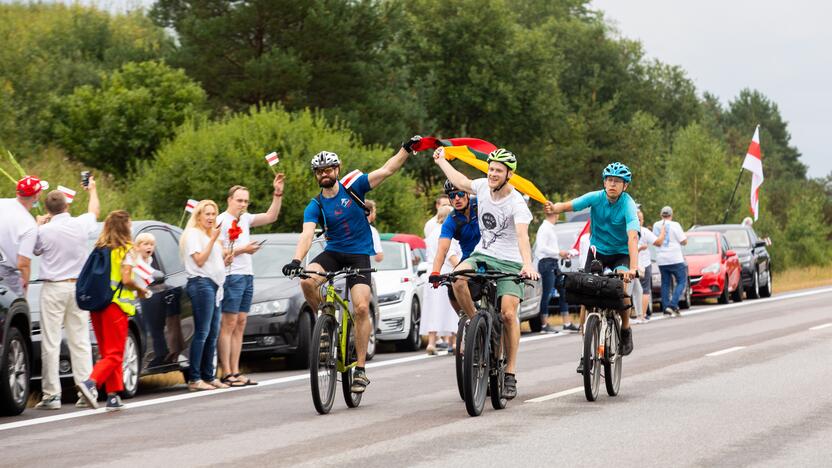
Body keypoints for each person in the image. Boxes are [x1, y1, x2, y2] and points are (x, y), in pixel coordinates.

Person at [283, 135, 422, 393]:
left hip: (359, 253)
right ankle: (326, 320)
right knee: (306, 280)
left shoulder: (354, 186)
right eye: (319, 171)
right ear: (316, 176)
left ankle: (360, 369)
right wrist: (295, 260)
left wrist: (404, 148)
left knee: (360, 308)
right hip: (334, 252)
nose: (324, 174)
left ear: (337, 170)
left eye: (328, 169)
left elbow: (387, 169)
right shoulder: (315, 205)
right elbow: (306, 234)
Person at [430, 147, 538, 400]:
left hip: (510, 262)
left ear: (509, 175)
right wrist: (441, 161)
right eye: (491, 169)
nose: (492, 174)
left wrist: (527, 264)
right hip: (483, 255)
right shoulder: (480, 187)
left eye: (498, 171)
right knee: (457, 279)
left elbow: (523, 236)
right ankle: (476, 322)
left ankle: (509, 372)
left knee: (509, 314)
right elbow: (460, 181)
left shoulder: (517, 203)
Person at [545, 162, 640, 371]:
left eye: (617, 181)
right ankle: (585, 351)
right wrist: (556, 207)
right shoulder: (596, 197)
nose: (612, 184)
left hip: (621, 254)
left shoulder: (628, 205)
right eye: (609, 180)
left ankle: (625, 329)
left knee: (621, 289)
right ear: (604, 182)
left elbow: (632, 236)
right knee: (585, 294)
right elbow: (573, 204)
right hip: (597, 252)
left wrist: (633, 268)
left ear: (625, 186)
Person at [32, 178, 100, 410]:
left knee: (50, 341)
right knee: (79, 339)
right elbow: (94, 211)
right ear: (67, 206)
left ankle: (52, 394)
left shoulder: (44, 230)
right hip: (77, 285)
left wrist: (38, 224)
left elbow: (35, 249)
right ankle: (86, 388)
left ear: (49, 210)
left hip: (53, 286)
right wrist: (92, 190)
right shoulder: (80, 224)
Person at [77, 211, 150, 411]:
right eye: (130, 223)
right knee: (116, 353)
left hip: (97, 305)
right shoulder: (126, 249)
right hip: (115, 306)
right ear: (124, 226)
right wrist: (140, 289)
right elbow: (126, 279)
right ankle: (90, 383)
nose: (132, 227)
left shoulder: (100, 248)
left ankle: (113, 395)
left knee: (106, 352)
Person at [217, 174, 284, 387]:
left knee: (241, 322)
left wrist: (277, 193)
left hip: (247, 274)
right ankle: (226, 372)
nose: (243, 205)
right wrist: (243, 249)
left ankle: (236, 370)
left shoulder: (245, 219)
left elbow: (271, 216)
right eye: (239, 200)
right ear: (229, 200)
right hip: (230, 276)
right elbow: (217, 251)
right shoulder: (220, 220)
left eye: (246, 201)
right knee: (229, 323)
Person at [181, 200, 232, 391]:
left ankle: (209, 375)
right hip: (201, 284)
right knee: (202, 332)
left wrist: (225, 260)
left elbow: (213, 261)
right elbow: (200, 260)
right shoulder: (194, 234)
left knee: (213, 333)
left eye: (213, 214)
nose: (211, 218)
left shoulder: (210, 235)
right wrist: (213, 240)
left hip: (215, 285)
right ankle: (194, 378)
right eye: (207, 214)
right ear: (199, 216)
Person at [429, 179, 481, 312]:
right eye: (452, 196)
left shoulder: (481, 204)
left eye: (460, 194)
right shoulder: (450, 221)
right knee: (453, 286)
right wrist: (435, 272)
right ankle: (468, 317)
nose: (456, 198)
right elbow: (442, 250)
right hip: (469, 259)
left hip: (492, 254)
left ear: (468, 194)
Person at [422, 205, 461, 355]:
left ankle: (431, 342)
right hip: (445, 271)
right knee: (451, 308)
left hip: (431, 273)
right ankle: (454, 342)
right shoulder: (447, 233)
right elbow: (450, 255)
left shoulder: (431, 234)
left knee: (433, 308)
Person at [534, 210, 578, 334]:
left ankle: (567, 323)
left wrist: (560, 255)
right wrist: (558, 253)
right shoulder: (544, 228)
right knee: (547, 294)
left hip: (553, 262)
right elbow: (541, 247)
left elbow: (549, 248)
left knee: (563, 291)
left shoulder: (550, 227)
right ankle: (544, 325)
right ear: (555, 214)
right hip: (546, 263)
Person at [0, 176, 41, 295]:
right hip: (7, 277)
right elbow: (23, 264)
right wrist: (25, 290)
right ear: (36, 196)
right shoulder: (29, 225)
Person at [652, 206, 688, 316]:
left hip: (662, 259)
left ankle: (666, 307)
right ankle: (672, 305)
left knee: (666, 283)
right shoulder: (675, 225)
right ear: (671, 215)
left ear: (661, 215)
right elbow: (683, 241)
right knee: (682, 281)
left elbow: (655, 240)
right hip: (675, 258)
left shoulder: (656, 225)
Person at [633, 207, 665, 323]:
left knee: (633, 290)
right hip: (643, 264)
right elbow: (658, 242)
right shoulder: (644, 231)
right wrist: (663, 232)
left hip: (632, 264)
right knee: (645, 290)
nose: (640, 221)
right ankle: (642, 315)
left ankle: (638, 314)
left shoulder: (628, 231)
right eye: (640, 219)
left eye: (640, 219)